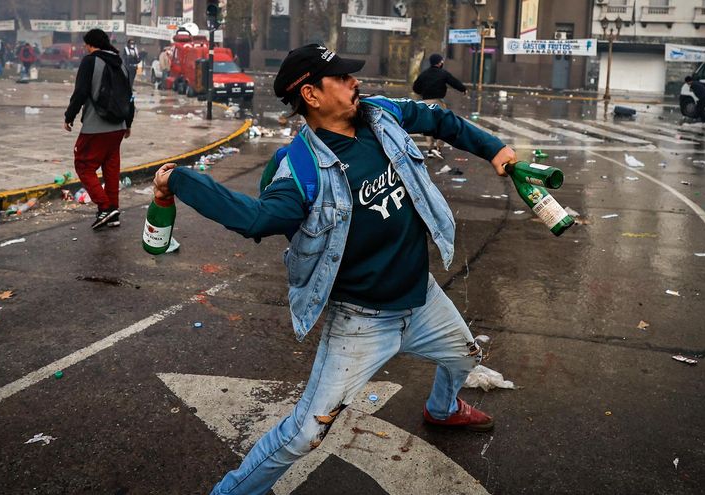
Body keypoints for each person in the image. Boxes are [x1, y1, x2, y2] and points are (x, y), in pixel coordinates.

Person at [151, 43, 516, 494]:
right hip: (360, 321)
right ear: (311, 95)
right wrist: (179, 180)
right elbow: (257, 218)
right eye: (341, 78)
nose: (354, 82)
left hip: (420, 297)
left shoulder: (380, 114)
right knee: (305, 433)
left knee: (466, 356)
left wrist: (493, 148)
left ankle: (441, 409)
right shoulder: (298, 165)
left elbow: (439, 119)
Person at [63, 29, 135, 230]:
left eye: (86, 44)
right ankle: (113, 213)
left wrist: (69, 116)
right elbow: (130, 97)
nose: (85, 48)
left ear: (91, 44)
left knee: (84, 165)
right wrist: (128, 123)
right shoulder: (121, 64)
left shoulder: (90, 61)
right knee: (111, 170)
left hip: (96, 126)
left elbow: (80, 92)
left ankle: (104, 208)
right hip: (118, 127)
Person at [412, 53, 467, 159]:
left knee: (427, 125)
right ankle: (438, 148)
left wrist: (422, 92)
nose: (442, 62)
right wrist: (463, 89)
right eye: (441, 61)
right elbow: (453, 82)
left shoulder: (424, 74)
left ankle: (430, 148)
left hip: (425, 102)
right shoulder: (443, 73)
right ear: (439, 62)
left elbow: (416, 87)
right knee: (442, 125)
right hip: (438, 102)